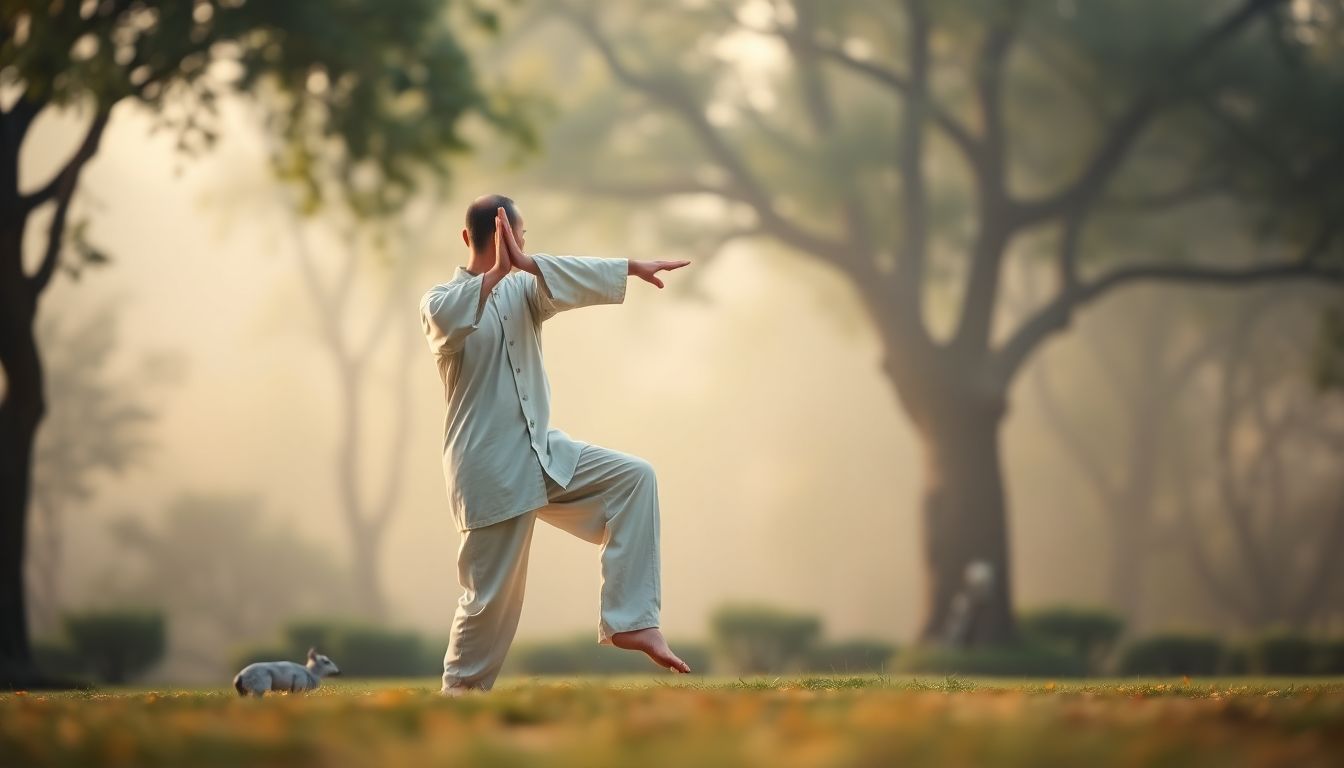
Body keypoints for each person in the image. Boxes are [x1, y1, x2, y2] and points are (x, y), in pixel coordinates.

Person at [420, 194, 692, 693]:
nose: (522, 249)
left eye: (524, 244)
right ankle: (458, 697)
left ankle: (632, 620)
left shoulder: (526, 291)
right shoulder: (441, 302)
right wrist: (497, 273)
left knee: (634, 478)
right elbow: (448, 324)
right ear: (475, 240)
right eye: (520, 239)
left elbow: (564, 280)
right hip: (488, 468)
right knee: (491, 599)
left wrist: (629, 267)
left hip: (543, 455)